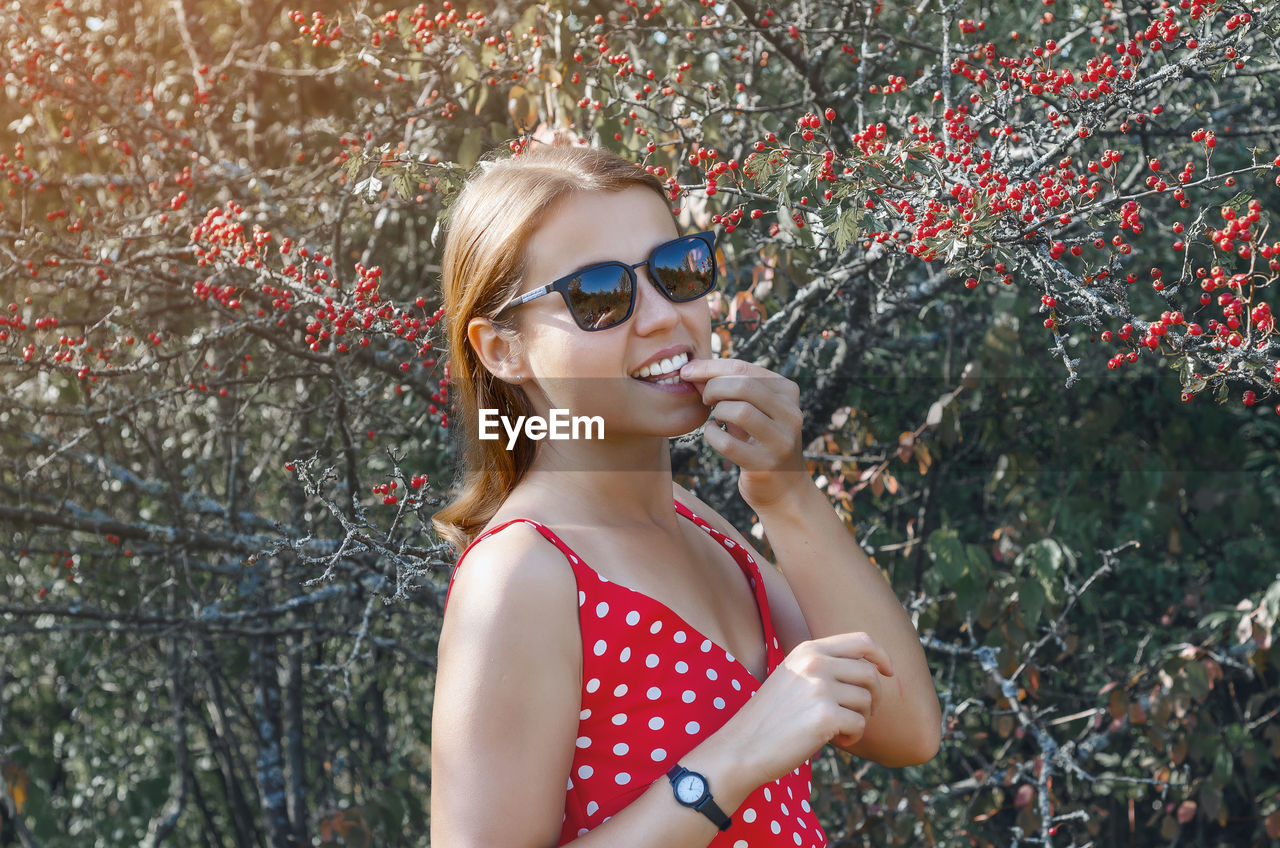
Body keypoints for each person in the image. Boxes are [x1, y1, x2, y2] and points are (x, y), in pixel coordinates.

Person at [430, 143, 941, 848]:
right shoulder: (523, 573)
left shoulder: (702, 527)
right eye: (599, 296)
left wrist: (786, 495)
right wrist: (732, 760)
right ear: (501, 350)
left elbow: (907, 726)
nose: (664, 318)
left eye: (676, 273)